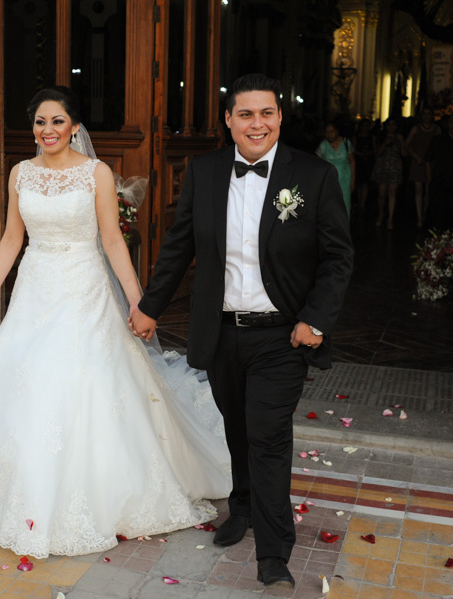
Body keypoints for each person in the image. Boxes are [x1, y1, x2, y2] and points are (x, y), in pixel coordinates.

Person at [0, 86, 231, 559]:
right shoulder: (21, 173)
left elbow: (112, 241)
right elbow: (11, 239)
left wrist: (138, 303)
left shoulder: (96, 173)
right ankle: (13, 492)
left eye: (57, 121)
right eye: (40, 122)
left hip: (84, 291)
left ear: (74, 127)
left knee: (76, 379)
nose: (48, 130)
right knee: (21, 376)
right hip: (35, 290)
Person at [130, 73, 353, 590]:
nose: (257, 124)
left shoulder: (314, 175)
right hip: (222, 331)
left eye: (266, 113)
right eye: (246, 114)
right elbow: (179, 245)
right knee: (236, 427)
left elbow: (338, 258)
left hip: (282, 335)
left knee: (268, 436)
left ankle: (274, 554)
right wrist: (149, 306)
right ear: (228, 120)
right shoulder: (205, 171)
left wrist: (315, 319)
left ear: (280, 118)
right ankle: (244, 506)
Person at [404, 107, 440, 228]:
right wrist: (415, 156)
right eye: (424, 114)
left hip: (431, 162)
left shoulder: (436, 129)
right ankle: (419, 217)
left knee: (428, 190)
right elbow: (406, 144)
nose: (426, 116)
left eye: (428, 114)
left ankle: (424, 213)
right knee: (418, 190)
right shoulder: (416, 128)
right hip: (417, 161)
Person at [371, 117, 405, 230]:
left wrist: (402, 143)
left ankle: (390, 218)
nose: (391, 127)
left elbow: (404, 153)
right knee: (381, 194)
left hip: (395, 167)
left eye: (393, 124)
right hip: (382, 167)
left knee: (392, 193)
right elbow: (378, 153)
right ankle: (381, 214)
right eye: (389, 125)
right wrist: (385, 143)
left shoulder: (399, 137)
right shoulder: (381, 137)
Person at [315, 120, 355, 215]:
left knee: (345, 204)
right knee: (330, 205)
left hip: (345, 179)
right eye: (327, 132)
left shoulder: (346, 142)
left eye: (331, 132)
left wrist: (353, 180)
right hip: (329, 180)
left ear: (337, 131)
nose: (329, 135)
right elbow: (317, 165)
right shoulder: (323, 145)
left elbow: (352, 161)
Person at [353, 119, 376, 213]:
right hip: (359, 161)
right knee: (359, 182)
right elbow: (353, 149)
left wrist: (368, 153)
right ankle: (360, 201)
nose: (365, 128)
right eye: (364, 126)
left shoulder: (372, 137)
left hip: (368, 161)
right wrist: (361, 154)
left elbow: (375, 149)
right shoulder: (356, 137)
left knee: (365, 182)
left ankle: (363, 203)